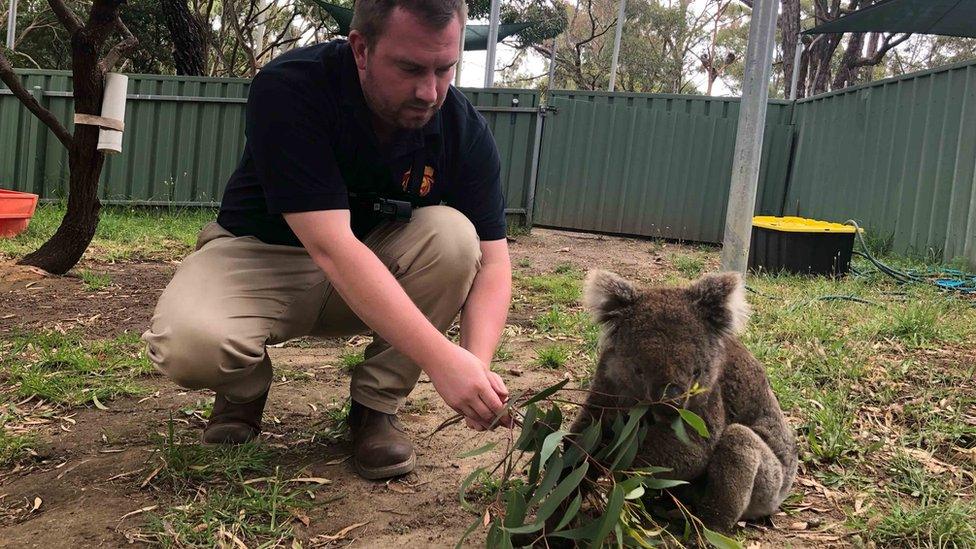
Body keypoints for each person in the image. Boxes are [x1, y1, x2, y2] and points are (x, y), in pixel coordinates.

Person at [141, 0, 513, 480]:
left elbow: (495, 263)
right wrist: (443, 361)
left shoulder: (462, 128)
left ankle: (375, 407)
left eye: (445, 68)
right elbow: (331, 246)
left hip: (376, 264)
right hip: (263, 255)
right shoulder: (293, 87)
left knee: (455, 238)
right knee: (188, 345)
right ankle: (243, 391)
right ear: (360, 49)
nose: (429, 91)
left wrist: (474, 368)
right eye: (410, 68)